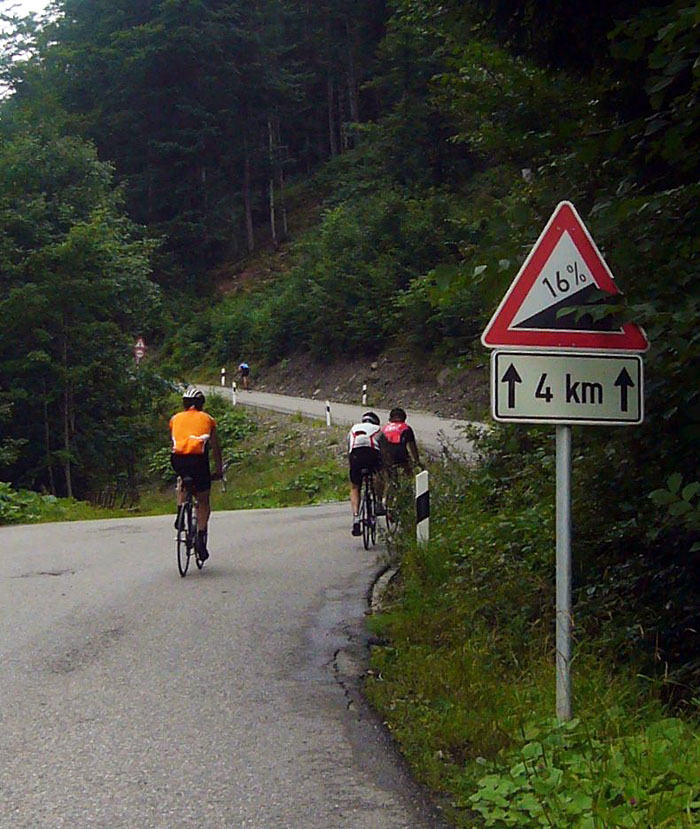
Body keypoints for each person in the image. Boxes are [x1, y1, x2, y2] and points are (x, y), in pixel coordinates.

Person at [170, 387, 223, 561]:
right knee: (202, 499)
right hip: (198, 460)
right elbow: (215, 447)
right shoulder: (208, 419)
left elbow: (175, 440)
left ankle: (180, 510)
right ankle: (200, 536)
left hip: (177, 459)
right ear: (201, 404)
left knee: (182, 480)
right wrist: (219, 470)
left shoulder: (175, 419)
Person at [346, 411, 383, 537]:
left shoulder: (353, 428)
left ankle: (356, 517)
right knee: (379, 474)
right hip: (371, 452)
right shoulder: (378, 429)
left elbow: (349, 449)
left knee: (355, 487)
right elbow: (384, 450)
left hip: (355, 455)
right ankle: (378, 503)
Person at [380, 406, 420, 481]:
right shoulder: (406, 427)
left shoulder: (384, 428)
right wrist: (416, 461)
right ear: (404, 418)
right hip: (400, 452)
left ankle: (392, 485)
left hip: (387, 453)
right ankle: (409, 485)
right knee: (408, 471)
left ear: (390, 419)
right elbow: (412, 446)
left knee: (390, 474)